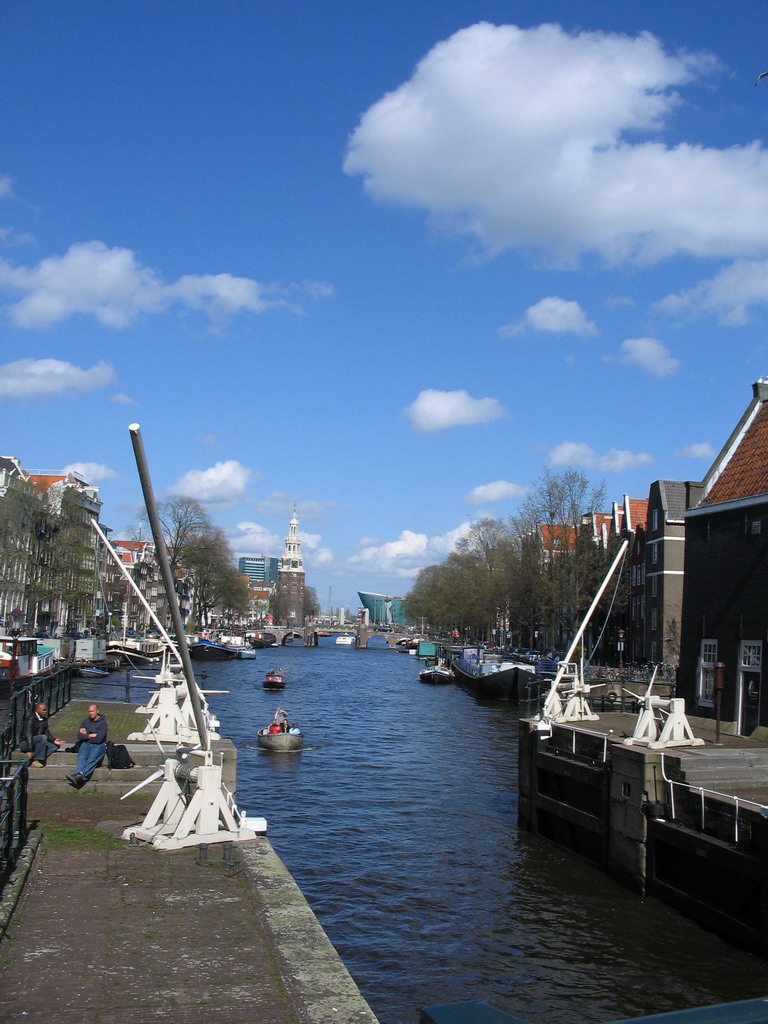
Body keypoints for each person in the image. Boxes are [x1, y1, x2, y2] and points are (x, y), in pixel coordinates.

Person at [66, 703, 108, 789]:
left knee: (92, 759)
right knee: (82, 756)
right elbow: (79, 736)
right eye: (89, 711)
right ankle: (79, 775)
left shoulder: (103, 723)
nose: (90, 713)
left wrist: (87, 735)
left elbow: (99, 739)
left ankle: (81, 776)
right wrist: (91, 735)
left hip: (99, 745)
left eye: (92, 711)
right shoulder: (85, 722)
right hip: (87, 743)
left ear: (97, 711)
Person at [24, 702, 65, 766]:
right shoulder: (31, 719)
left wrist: (54, 740)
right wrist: (29, 749)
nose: (45, 712)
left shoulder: (44, 719)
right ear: (37, 710)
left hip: (40, 742)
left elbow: (46, 733)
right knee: (43, 737)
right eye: (43, 710)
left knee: (55, 746)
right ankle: (37, 760)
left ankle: (34, 756)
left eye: (45, 710)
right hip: (27, 743)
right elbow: (28, 735)